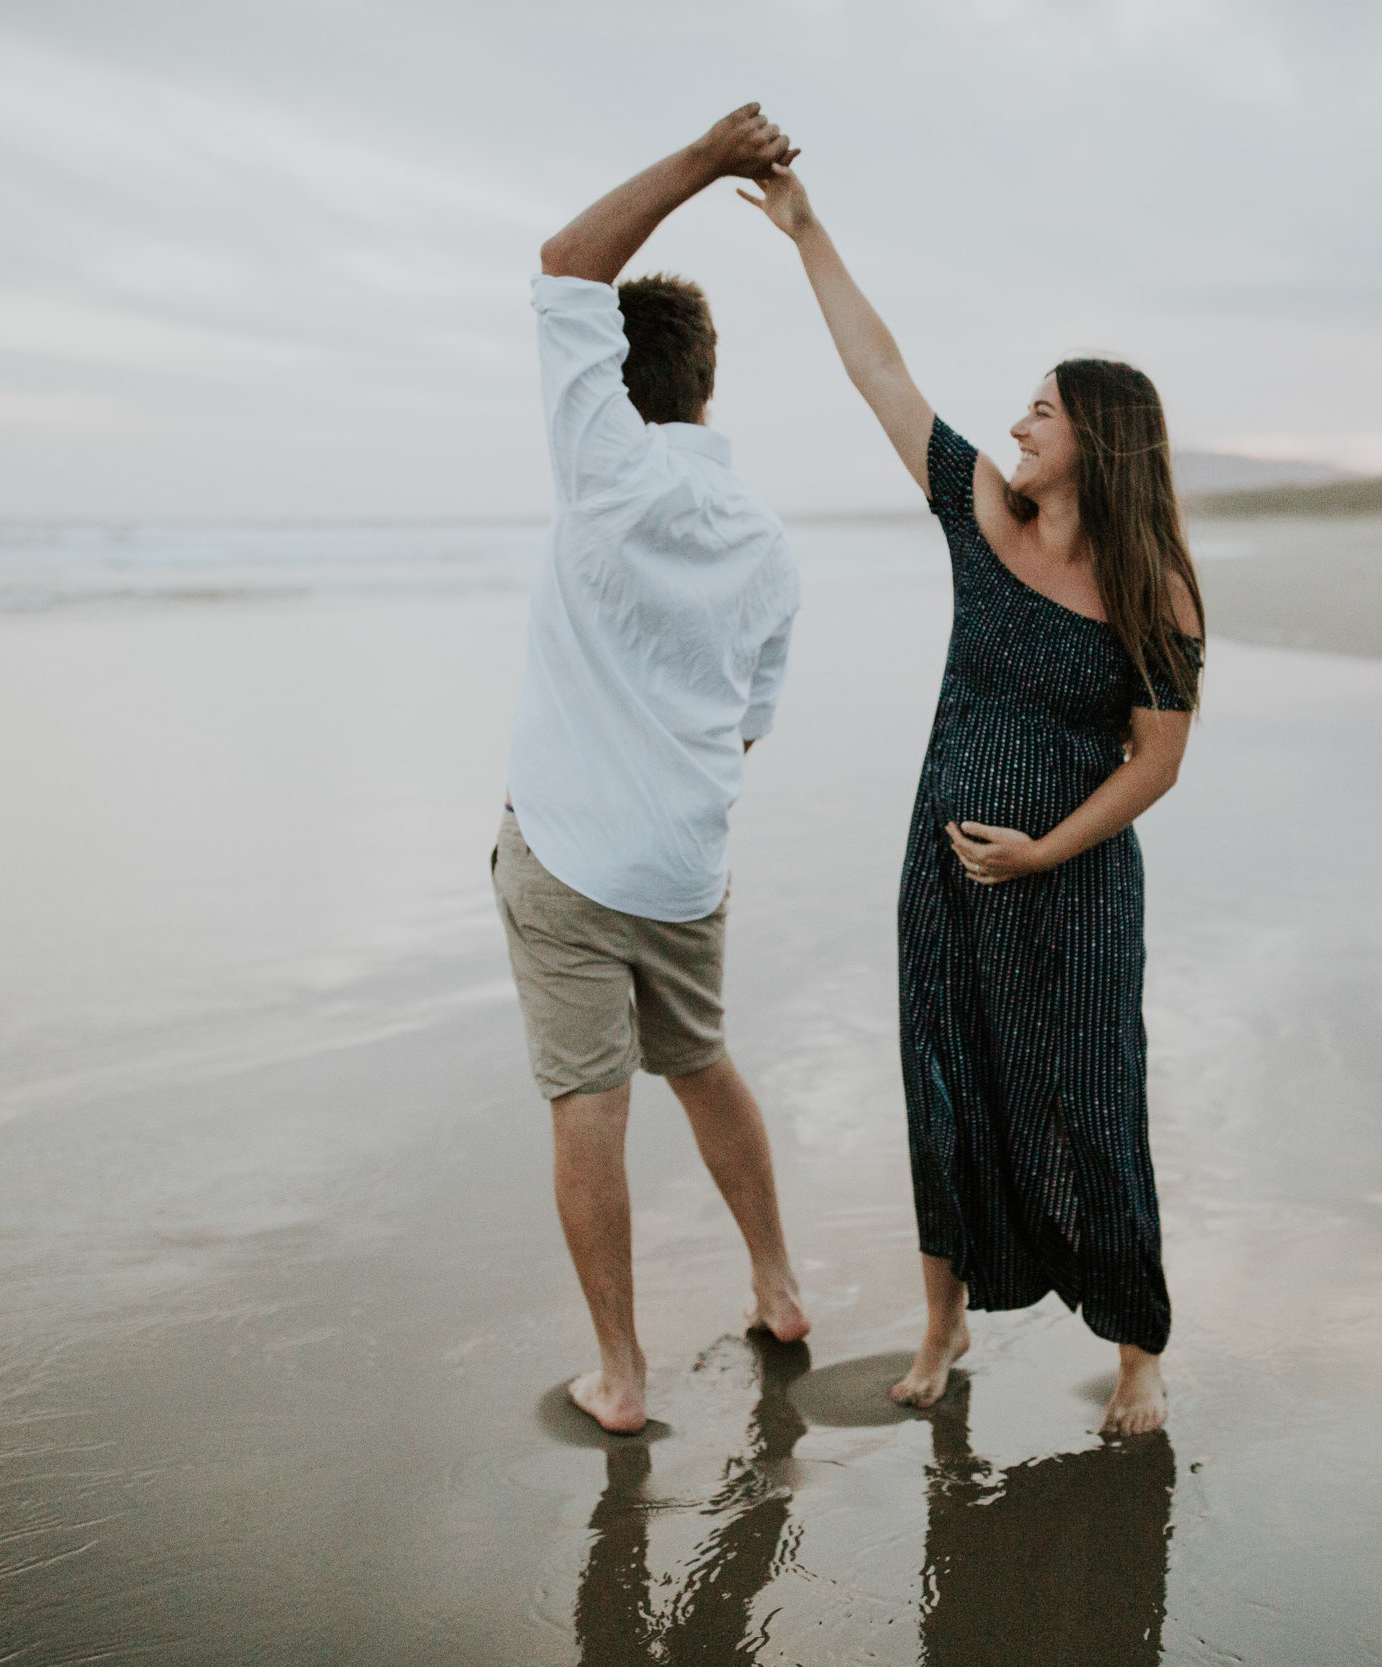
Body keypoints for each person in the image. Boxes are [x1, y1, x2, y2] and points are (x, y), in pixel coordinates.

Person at [741, 165, 1203, 1435]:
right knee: (941, 1083)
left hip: (1075, 882)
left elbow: (1155, 762)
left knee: (1092, 1094)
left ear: (1095, 439)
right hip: (943, 868)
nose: (1017, 423)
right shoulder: (979, 517)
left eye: (1042, 411)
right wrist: (805, 231)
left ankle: (1136, 1350)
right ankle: (942, 1319)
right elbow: (881, 374)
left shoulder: (1155, 585)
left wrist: (1043, 849)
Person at [498, 104, 811, 1436]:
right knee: (702, 1059)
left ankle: (622, 1374)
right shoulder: (767, 539)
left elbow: (569, 257)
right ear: (706, 385)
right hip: (687, 862)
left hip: (569, 852)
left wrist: (704, 158)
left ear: (616, 383)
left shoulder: (606, 476)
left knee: (590, 1097)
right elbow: (746, 721)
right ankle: (781, 1286)